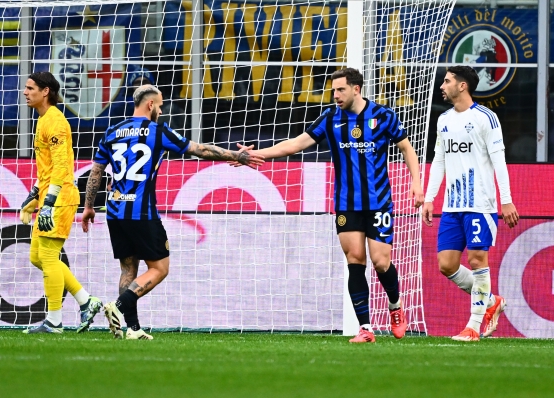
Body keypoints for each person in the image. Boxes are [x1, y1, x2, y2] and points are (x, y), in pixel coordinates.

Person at [233, 68, 424, 343]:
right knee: (355, 260)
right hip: (346, 203)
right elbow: (297, 143)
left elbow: (406, 147)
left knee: (381, 262)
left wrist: (416, 182)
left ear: (356, 89)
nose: (335, 95)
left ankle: (395, 306)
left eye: (340, 90)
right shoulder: (331, 118)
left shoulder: (383, 116)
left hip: (379, 201)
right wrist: (256, 153)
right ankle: (366, 328)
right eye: (333, 90)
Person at [81, 84, 264, 340]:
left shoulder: (112, 131)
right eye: (161, 104)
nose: (162, 109)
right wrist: (237, 155)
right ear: (150, 105)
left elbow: (96, 172)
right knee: (160, 268)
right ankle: (119, 307)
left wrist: (89, 206)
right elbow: (200, 150)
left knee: (128, 269)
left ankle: (132, 330)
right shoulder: (157, 131)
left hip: (114, 210)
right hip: (141, 212)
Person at [422, 66, 519, 342]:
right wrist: (430, 197)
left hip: (480, 204)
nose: (443, 85)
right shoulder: (443, 120)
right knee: (446, 265)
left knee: (477, 261)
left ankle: (473, 328)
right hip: (452, 206)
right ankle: (492, 302)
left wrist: (507, 200)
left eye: (447, 80)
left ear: (462, 86)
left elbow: (499, 161)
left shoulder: (486, 118)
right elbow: (439, 160)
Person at [19, 71, 103, 334]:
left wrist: (49, 201)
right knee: (37, 257)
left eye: (30, 88)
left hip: (60, 198)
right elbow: (48, 167)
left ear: (45, 91)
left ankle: (54, 321)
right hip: (49, 196)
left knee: (47, 256)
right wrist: (35, 195)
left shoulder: (55, 120)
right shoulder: (43, 120)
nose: (25, 92)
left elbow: (63, 165)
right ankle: (86, 301)